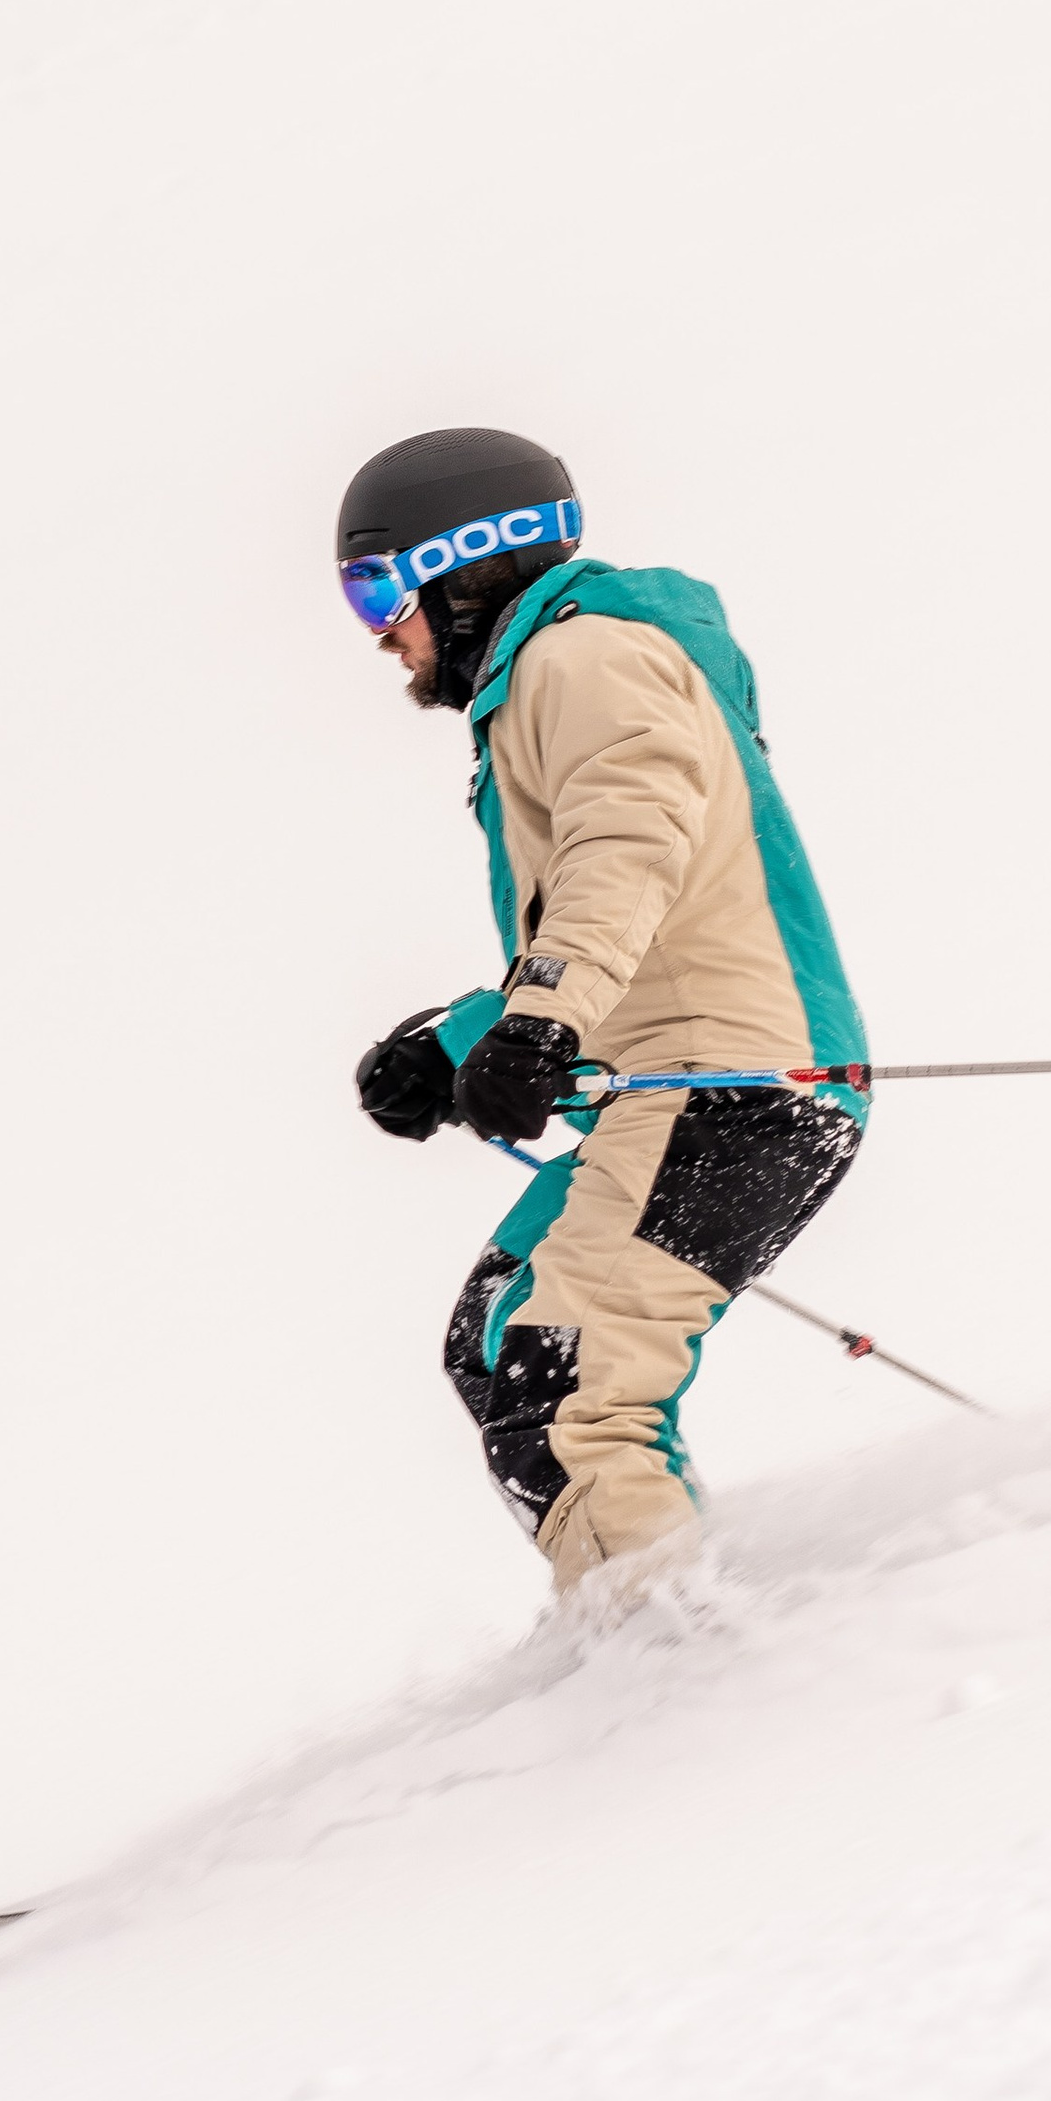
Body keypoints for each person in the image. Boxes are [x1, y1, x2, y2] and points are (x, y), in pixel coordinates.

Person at [340, 427, 870, 1593]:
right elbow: (632, 917)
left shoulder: (582, 662)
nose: (375, 625)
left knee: (561, 1384)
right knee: (498, 1347)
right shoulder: (559, 679)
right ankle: (647, 1631)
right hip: (686, 1080)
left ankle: (686, 1686)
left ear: (467, 563)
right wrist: (460, 1041)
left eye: (375, 583)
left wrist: (537, 1021)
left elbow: (625, 851)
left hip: (736, 1087)